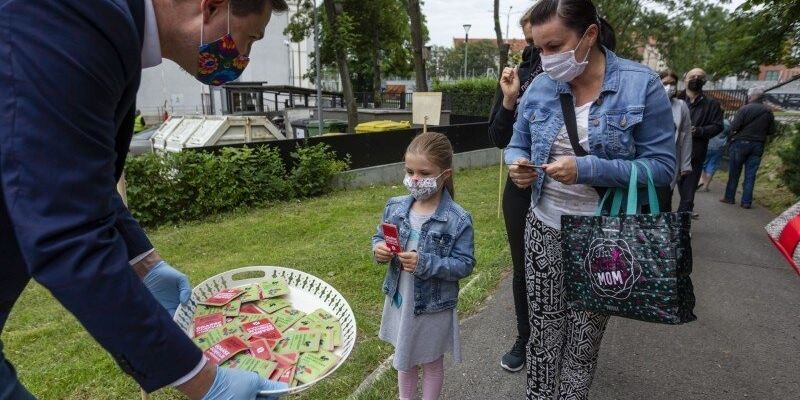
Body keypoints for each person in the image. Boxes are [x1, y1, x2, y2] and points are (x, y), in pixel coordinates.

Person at [0, 1, 290, 399]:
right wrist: (206, 382)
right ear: (213, 6)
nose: (243, 57)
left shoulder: (111, 28)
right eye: (250, 38)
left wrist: (144, 263)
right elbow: (68, 231)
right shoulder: (76, 17)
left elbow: (75, 172)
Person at [505, 0, 675, 398]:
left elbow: (663, 168)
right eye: (538, 48)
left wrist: (588, 169)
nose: (545, 58)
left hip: (605, 237)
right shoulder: (542, 87)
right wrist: (517, 164)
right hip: (544, 227)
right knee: (543, 334)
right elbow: (517, 142)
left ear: (590, 34)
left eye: (553, 46)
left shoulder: (640, 85)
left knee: (583, 341)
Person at [372, 132, 476, 400]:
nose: (415, 179)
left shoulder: (457, 218)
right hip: (401, 298)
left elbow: (464, 264)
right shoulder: (395, 207)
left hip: (433, 305)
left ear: (446, 175)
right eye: (409, 171)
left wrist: (425, 263)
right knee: (403, 357)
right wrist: (379, 249)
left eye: (424, 172)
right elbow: (379, 236)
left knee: (431, 361)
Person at [489, 5, 542, 373]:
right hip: (521, 190)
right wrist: (509, 100)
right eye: (530, 38)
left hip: (568, 188)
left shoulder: (581, 75)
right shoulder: (517, 77)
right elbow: (497, 136)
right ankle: (526, 337)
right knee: (524, 266)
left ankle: (561, 337)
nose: (534, 46)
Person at [676, 67, 724, 218]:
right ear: (685, 79)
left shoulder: (712, 104)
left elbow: (718, 126)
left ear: (704, 81)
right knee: (666, 190)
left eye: (700, 77)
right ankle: (664, 223)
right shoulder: (675, 99)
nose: (696, 79)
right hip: (672, 151)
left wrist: (699, 131)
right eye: (692, 76)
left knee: (688, 193)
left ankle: (682, 224)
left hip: (695, 153)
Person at [721, 87, 776, 209]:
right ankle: (746, 201)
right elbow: (772, 131)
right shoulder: (768, 111)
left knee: (734, 172)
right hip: (758, 145)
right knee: (751, 174)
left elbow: (734, 127)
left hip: (740, 143)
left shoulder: (744, 109)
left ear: (751, 96)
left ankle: (729, 197)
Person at [659, 69, 692, 212]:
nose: (669, 86)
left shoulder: (681, 106)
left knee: (665, 198)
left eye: (672, 83)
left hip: (670, 159)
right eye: (665, 83)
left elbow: (686, 136)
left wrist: (685, 164)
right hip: (648, 158)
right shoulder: (647, 102)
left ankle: (663, 229)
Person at [697, 118, 731, 192]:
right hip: (719, 147)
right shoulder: (728, 125)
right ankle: (706, 186)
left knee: (700, 163)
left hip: (709, 145)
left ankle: (701, 179)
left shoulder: (714, 122)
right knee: (712, 166)